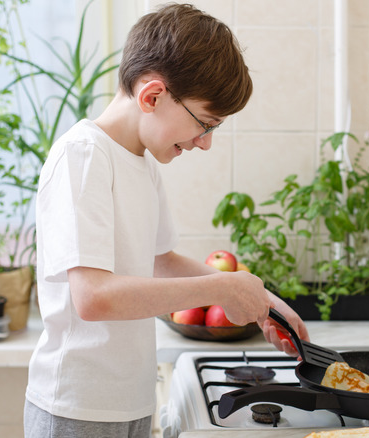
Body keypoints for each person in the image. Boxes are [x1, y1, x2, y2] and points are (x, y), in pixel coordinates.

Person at [24, 4, 309, 437]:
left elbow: (161, 260)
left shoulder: (142, 161)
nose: (205, 143)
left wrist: (264, 304)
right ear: (152, 96)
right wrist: (222, 286)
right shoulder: (83, 157)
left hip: (129, 401)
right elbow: (93, 297)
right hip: (76, 408)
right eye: (204, 123)